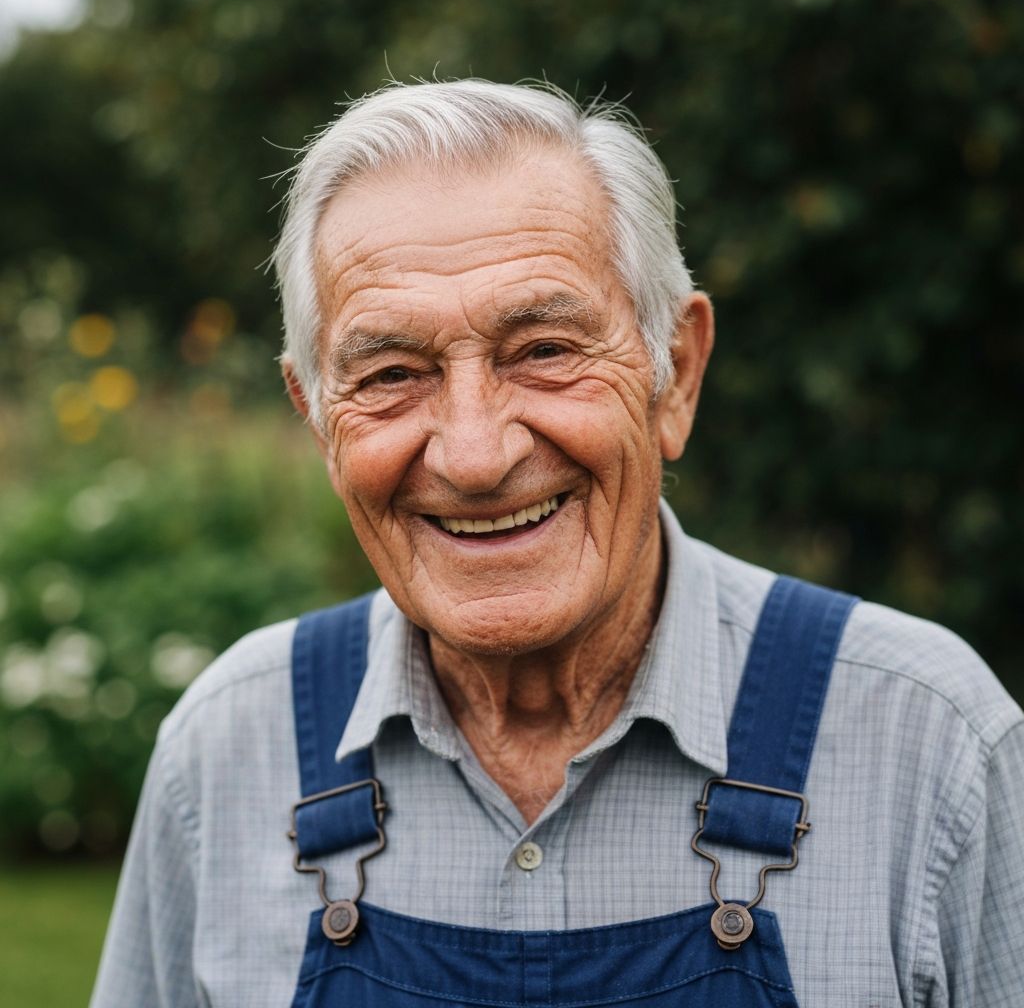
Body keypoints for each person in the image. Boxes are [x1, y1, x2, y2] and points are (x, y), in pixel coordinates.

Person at [91, 80, 1024, 1008]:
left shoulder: (928, 742)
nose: (474, 455)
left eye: (544, 351)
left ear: (675, 375)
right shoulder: (226, 750)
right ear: (318, 421)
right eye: (392, 373)